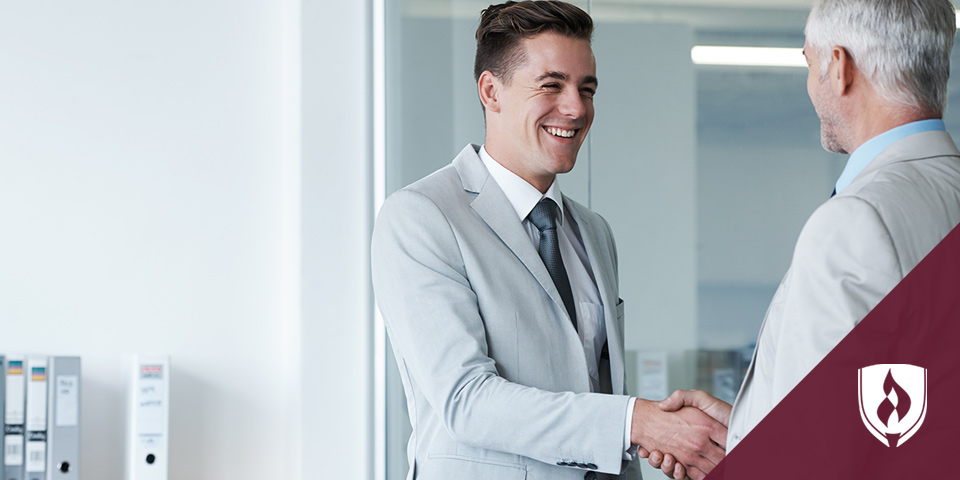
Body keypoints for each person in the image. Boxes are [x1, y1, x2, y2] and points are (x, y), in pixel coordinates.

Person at [371, 2, 726, 479]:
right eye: (551, 85)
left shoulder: (593, 232)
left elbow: (595, 393)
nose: (576, 108)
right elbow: (466, 400)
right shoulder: (422, 217)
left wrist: (652, 436)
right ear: (491, 91)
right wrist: (635, 423)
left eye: (587, 88)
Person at [642, 0, 960, 477]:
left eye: (809, 63)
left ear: (839, 67)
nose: (810, 85)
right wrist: (755, 425)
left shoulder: (856, 221)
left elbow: (816, 460)